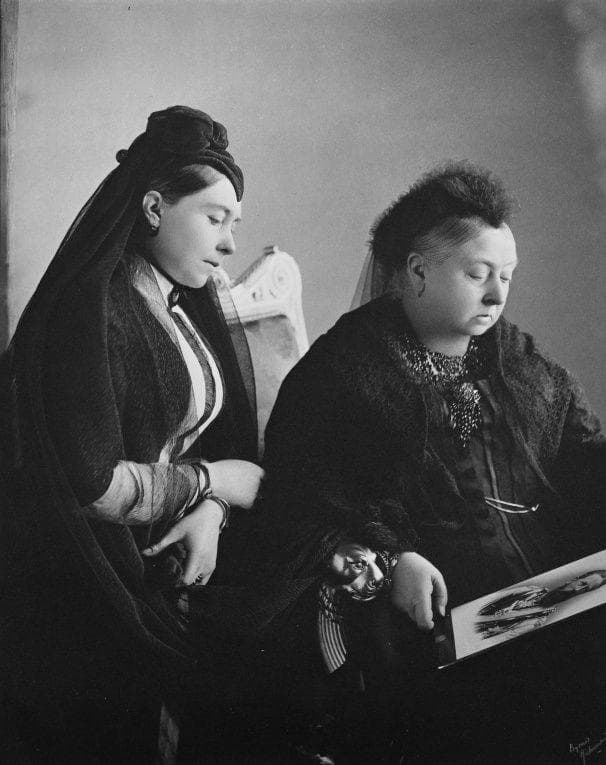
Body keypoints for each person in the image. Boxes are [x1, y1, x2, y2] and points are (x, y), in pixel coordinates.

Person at [235, 162, 606, 762]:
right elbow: (299, 494)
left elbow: (582, 459)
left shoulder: (517, 357)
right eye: (478, 274)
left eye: (506, 276)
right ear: (417, 272)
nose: (497, 295)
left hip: (553, 590)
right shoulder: (344, 369)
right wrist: (391, 556)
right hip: (434, 615)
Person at [0, 106, 265, 760]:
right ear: (152, 207)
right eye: (215, 219)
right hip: (84, 581)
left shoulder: (178, 302)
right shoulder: (92, 309)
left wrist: (211, 509)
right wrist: (214, 481)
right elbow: (92, 486)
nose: (229, 243)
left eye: (234, 224)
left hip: (159, 559)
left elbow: (207, 441)